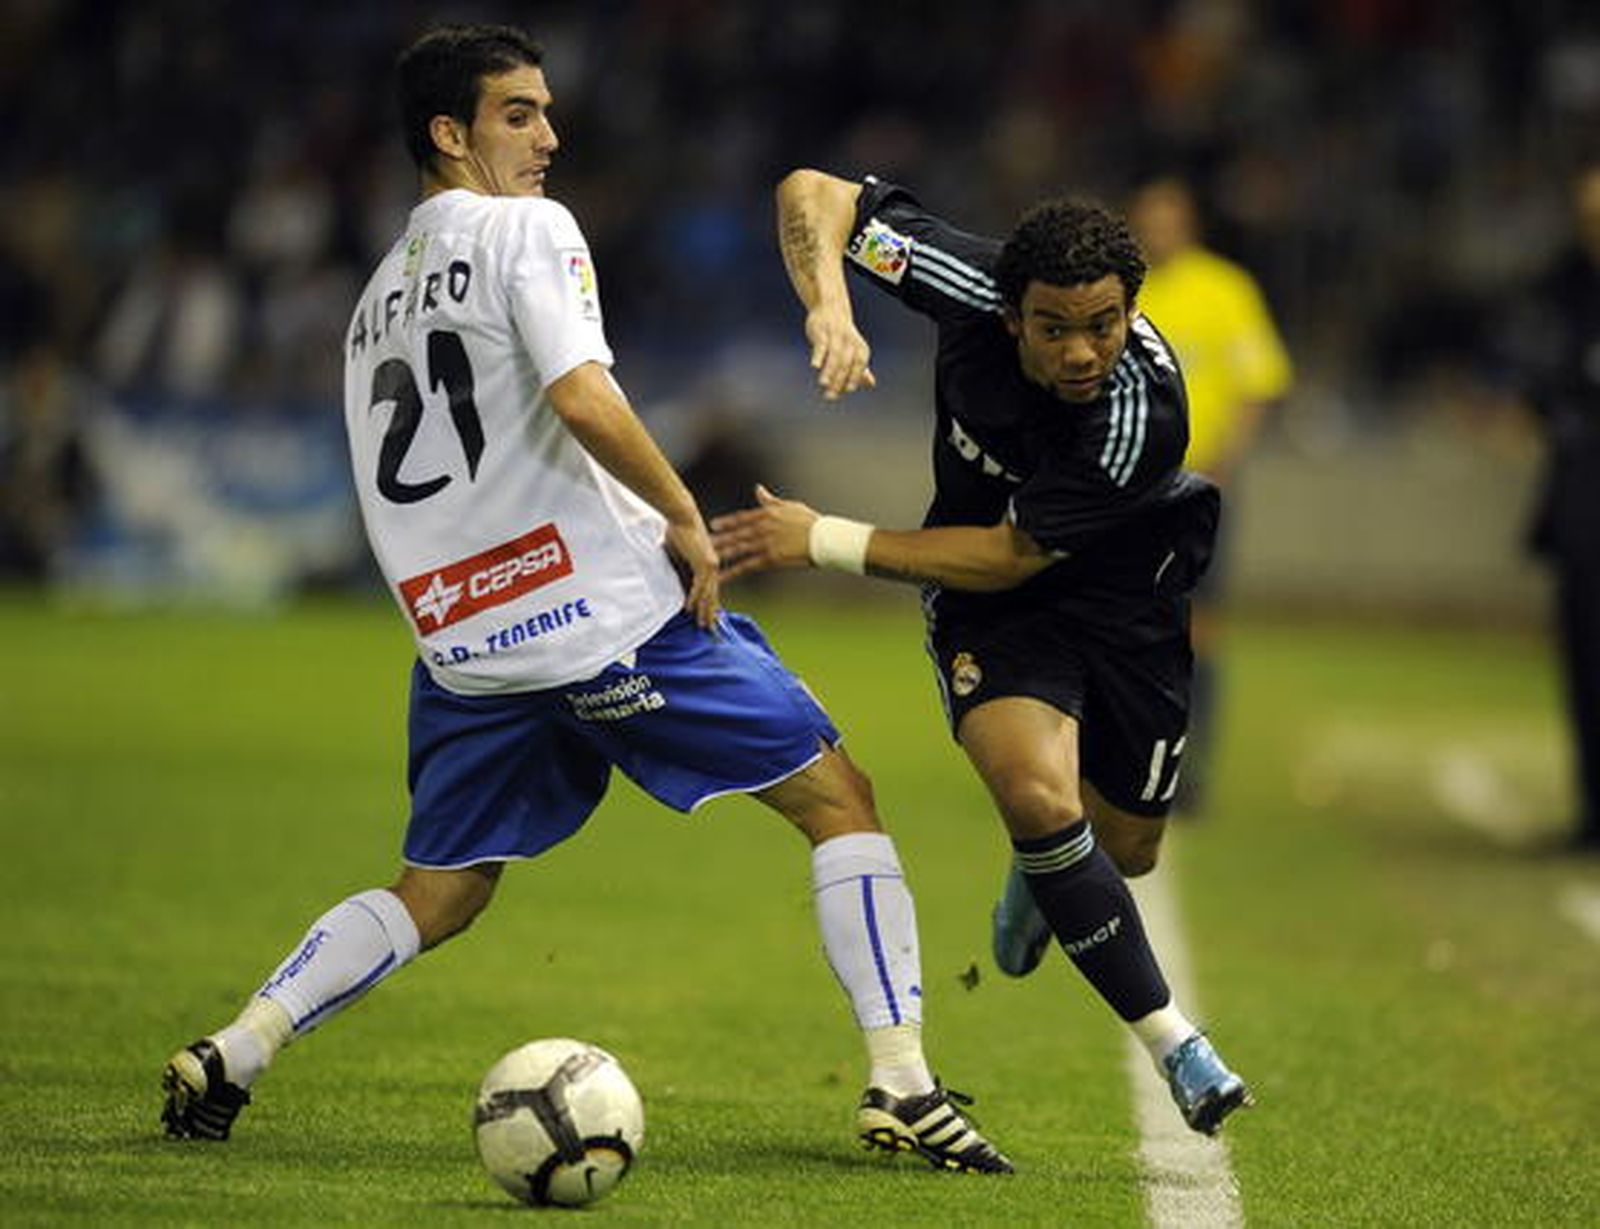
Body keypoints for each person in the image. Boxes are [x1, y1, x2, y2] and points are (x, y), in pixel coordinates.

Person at [159, 26, 1011, 1175]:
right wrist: (676, 510)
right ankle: (902, 1082)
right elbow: (579, 390)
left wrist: (456, 609)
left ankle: (236, 1048)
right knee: (839, 798)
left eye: (548, 111)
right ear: (449, 134)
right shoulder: (529, 228)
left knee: (440, 889)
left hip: (465, 646)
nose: (550, 137)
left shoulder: (370, 307)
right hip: (605, 619)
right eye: (519, 114)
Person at [711, 169, 1251, 1135]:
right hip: (996, 613)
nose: (1084, 351)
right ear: (1009, 315)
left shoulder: (1144, 412)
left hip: (1121, 598)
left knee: (1126, 846)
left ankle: (1041, 872)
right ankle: (1177, 1042)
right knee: (1041, 799)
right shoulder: (963, 278)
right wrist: (831, 304)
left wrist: (821, 539)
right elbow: (812, 193)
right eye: (1056, 328)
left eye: (1106, 324)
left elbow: (1013, 553)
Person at [1127, 176, 1293, 816]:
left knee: (1200, 630)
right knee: (1118, 624)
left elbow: (1259, 383)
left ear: (1188, 222)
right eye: (1148, 218)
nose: (1158, 229)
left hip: (1197, 488)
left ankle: (1190, 770)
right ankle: (1119, 761)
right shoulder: (1121, 289)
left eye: (1168, 218)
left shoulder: (1225, 289)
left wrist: (1225, 462)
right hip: (1126, 491)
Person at [1511, 161, 1600, 853]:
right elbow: (1536, 377)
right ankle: (1592, 810)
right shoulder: (1565, 288)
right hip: (1581, 498)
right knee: (1585, 657)